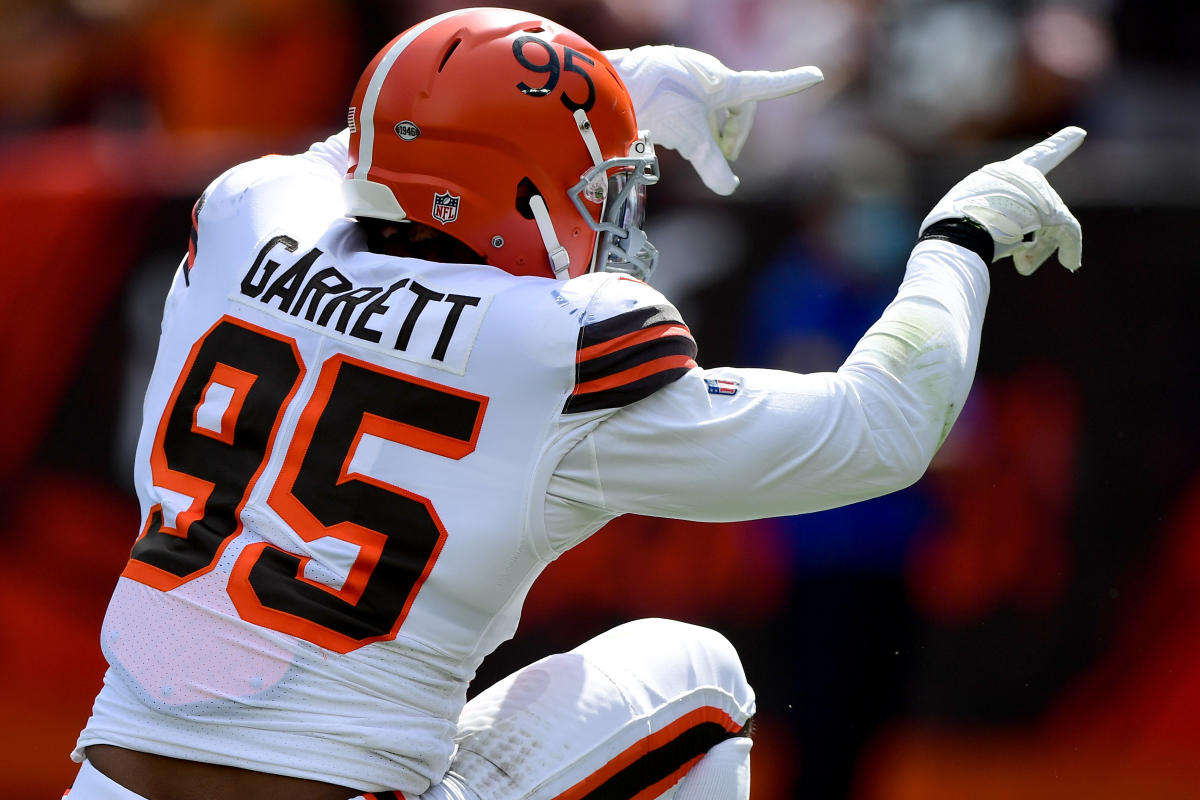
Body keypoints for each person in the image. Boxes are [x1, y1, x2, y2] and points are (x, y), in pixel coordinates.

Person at [66, 7, 1084, 800]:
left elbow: (373, 143)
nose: (603, 210)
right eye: (589, 185)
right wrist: (961, 240)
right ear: (512, 196)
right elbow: (885, 427)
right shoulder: (555, 344)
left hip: (107, 778)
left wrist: (614, 86)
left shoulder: (249, 217)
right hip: (350, 785)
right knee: (699, 669)